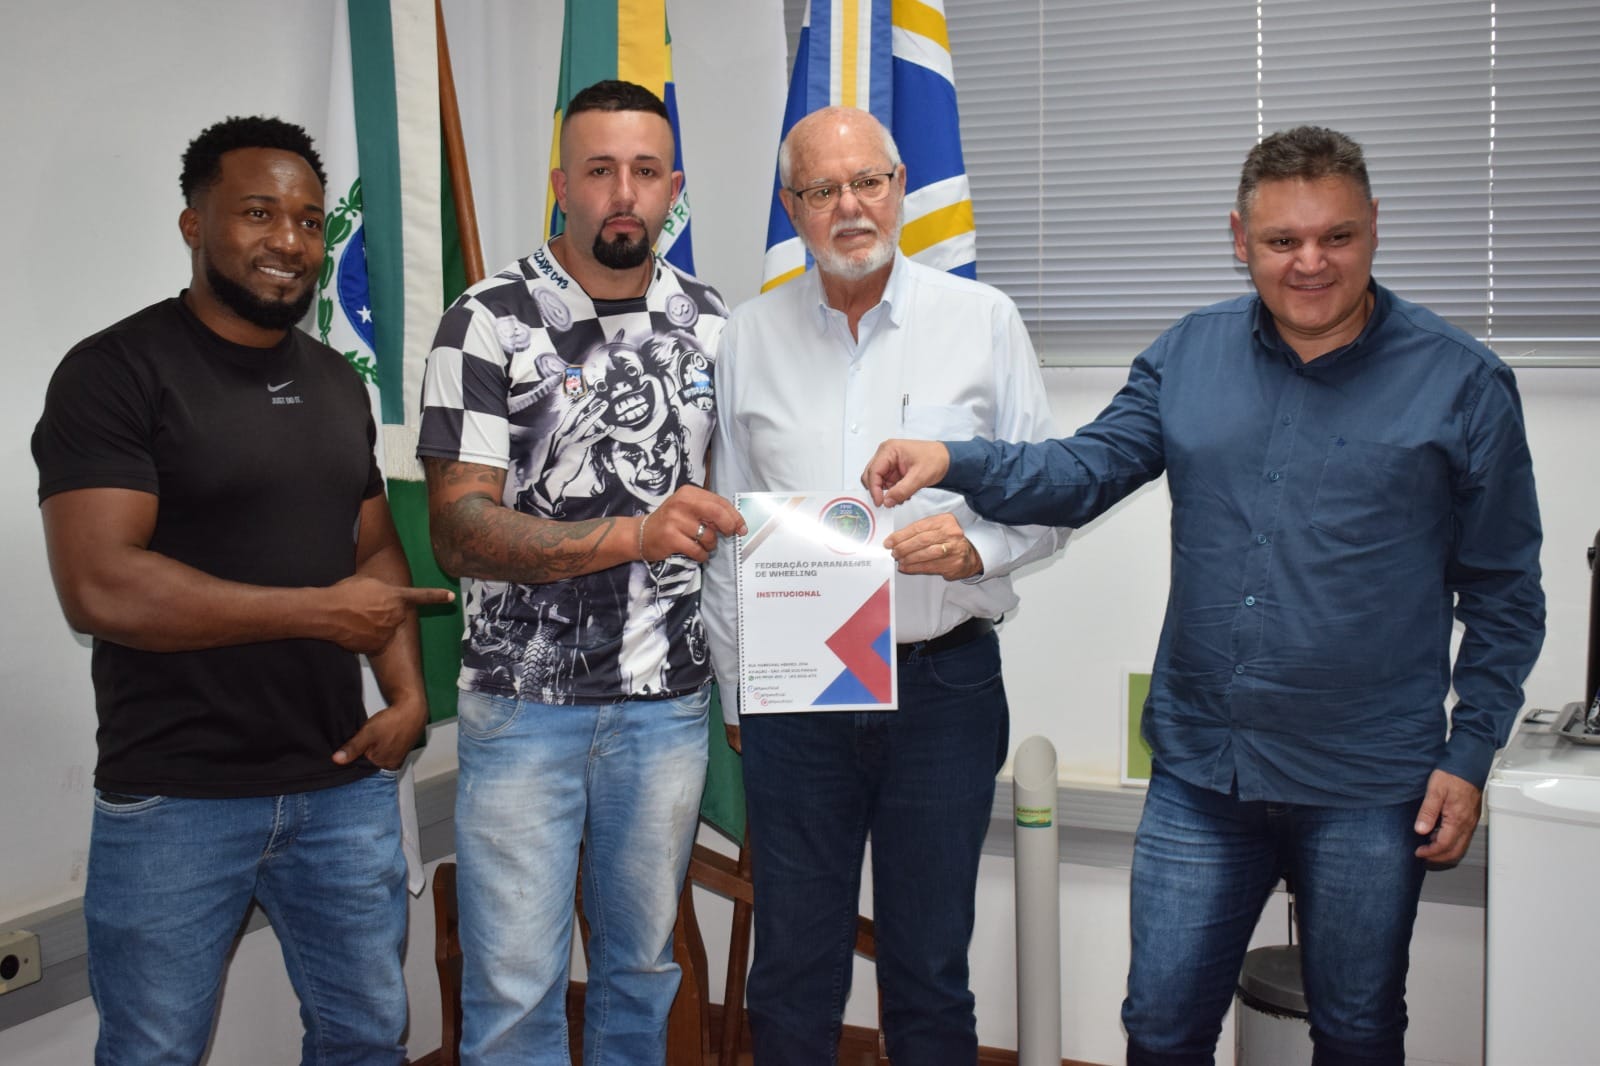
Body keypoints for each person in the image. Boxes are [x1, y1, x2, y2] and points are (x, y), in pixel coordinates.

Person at [862, 126, 1546, 1065]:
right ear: (1239, 238)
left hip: (1370, 782)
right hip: (1203, 774)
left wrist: (1469, 755)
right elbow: (1083, 471)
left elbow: (1507, 594)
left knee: (1357, 1032)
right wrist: (954, 457)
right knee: (1160, 1028)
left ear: (1375, 228)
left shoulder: (1463, 382)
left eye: (1336, 237)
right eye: (1282, 241)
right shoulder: (1189, 354)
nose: (1310, 263)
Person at [31, 115, 452, 1065]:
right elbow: (99, 587)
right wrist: (319, 612)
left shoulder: (337, 382)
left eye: (308, 221)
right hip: (176, 797)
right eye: (259, 213)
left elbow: (375, 553)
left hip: (339, 786)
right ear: (194, 223)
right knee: (154, 1052)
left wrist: (406, 696)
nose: (289, 241)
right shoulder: (114, 373)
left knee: (367, 1037)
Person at [701, 106, 1066, 1065]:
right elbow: (729, 533)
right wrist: (741, 691)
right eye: (822, 190)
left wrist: (977, 550)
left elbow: (1050, 499)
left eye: (868, 181)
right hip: (796, 697)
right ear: (792, 208)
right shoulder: (747, 337)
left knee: (930, 969)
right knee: (792, 968)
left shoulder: (983, 323)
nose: (850, 207)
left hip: (943, 686)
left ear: (900, 188)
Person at [416, 80, 743, 1065]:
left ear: (674, 188)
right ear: (562, 186)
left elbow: (738, 511)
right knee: (516, 987)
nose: (623, 194)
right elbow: (459, 533)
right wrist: (634, 535)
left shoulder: (710, 322)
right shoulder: (487, 320)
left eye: (645, 171)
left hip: (666, 706)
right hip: (526, 706)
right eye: (599, 170)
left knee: (641, 971)